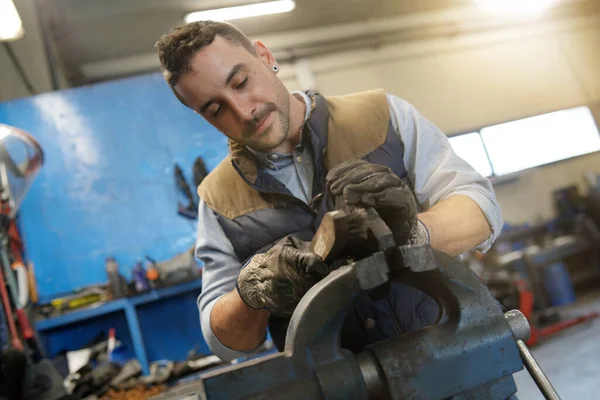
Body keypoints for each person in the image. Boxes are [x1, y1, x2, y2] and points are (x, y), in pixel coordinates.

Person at [154, 20, 503, 362]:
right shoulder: (217, 200)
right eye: (216, 109)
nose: (244, 111)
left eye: (242, 81)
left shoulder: (381, 116)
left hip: (456, 363)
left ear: (264, 55)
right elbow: (225, 342)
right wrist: (253, 293)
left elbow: (481, 209)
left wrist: (412, 234)